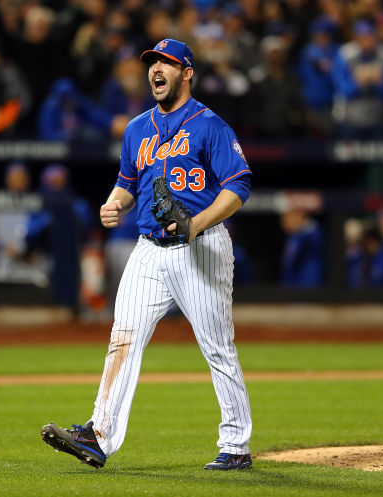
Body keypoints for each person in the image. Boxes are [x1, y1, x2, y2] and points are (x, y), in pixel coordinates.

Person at [41, 39, 253, 471]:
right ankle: (98, 434)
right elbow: (128, 183)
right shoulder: (137, 128)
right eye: (152, 63)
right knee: (123, 337)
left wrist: (197, 223)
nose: (156, 69)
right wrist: (114, 202)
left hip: (202, 247)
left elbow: (238, 187)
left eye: (167, 63)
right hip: (149, 250)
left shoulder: (211, 125)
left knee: (217, 348)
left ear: (186, 72)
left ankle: (235, 445)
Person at [0, 161, 49, 287]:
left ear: (27, 180)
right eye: (14, 179)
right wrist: (5, 248)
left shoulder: (39, 204)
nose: (18, 183)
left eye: (21, 178)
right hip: (5, 272)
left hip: (35, 272)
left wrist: (29, 253)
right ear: (7, 180)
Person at [279, 210, 325, 287]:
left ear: (300, 215)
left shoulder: (311, 233)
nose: (285, 222)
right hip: (293, 281)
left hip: (307, 280)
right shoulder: (296, 235)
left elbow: (289, 258)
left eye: (288, 217)